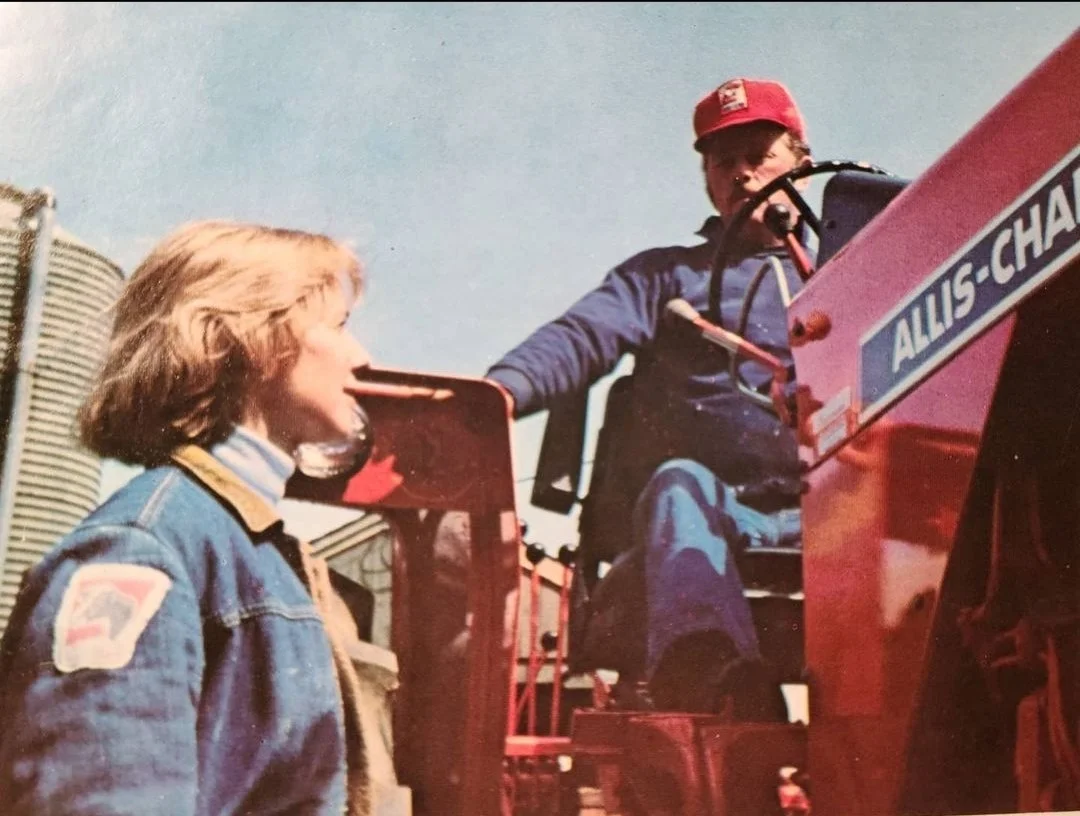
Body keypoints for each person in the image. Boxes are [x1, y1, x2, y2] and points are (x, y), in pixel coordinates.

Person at [0, 221, 391, 814]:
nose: (362, 357)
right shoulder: (139, 552)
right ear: (252, 339)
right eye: (338, 327)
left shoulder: (254, 546)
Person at [485, 77, 812, 718]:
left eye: (760, 155)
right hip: (718, 510)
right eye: (724, 162)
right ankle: (710, 678)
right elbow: (582, 335)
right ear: (707, 180)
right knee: (678, 482)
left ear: (800, 159)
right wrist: (497, 393)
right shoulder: (667, 276)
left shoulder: (852, 270)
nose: (743, 175)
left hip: (837, 507)